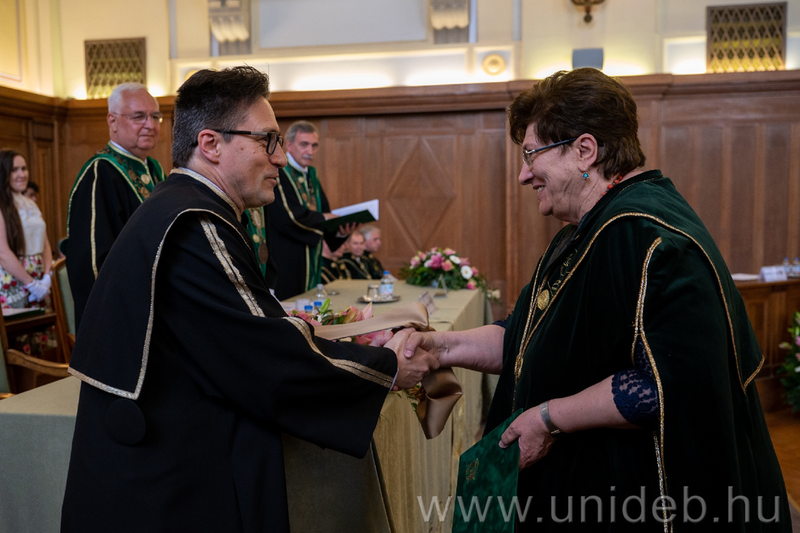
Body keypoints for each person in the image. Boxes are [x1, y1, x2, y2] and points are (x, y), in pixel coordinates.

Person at [404, 68, 791, 531]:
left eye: (531, 154)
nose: (523, 174)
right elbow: (529, 337)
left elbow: (664, 385)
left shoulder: (646, 235)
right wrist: (440, 349)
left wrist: (548, 418)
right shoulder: (587, 229)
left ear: (585, 150)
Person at [61, 66, 438, 533]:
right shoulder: (196, 223)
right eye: (267, 141)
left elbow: (242, 329)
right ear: (210, 144)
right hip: (164, 483)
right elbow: (266, 354)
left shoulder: (184, 205)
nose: (280, 158)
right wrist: (388, 368)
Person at [65, 82, 166, 329]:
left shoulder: (154, 170)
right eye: (138, 117)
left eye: (155, 117)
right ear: (112, 121)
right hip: (120, 318)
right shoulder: (100, 173)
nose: (150, 125)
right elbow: (92, 264)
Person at [266, 120, 350, 300]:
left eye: (314, 145)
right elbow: (287, 218)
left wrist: (341, 231)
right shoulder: (279, 172)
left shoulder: (311, 175)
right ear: (289, 145)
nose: (310, 151)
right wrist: (324, 219)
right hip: (287, 258)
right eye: (304, 144)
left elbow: (325, 214)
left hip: (312, 259)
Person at [0, 150, 53, 309]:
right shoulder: (2, 205)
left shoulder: (30, 204)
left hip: (39, 277)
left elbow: (45, 244)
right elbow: (2, 252)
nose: (22, 174)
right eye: (14, 170)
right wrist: (30, 283)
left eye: (24, 168)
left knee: (43, 323)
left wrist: (46, 276)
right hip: (14, 277)